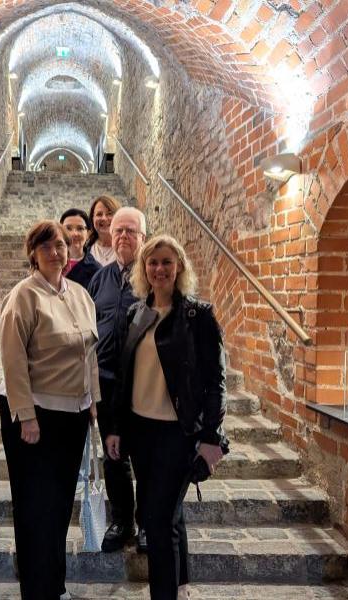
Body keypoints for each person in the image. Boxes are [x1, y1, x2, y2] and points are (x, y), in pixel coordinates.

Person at [106, 235, 229, 600]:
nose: (159, 269)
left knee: (157, 521)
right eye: (152, 262)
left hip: (178, 434)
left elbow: (216, 381)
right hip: (140, 432)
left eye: (166, 262)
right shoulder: (135, 314)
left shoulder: (198, 316)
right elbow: (122, 377)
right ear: (144, 269)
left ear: (179, 268)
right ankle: (180, 586)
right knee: (167, 515)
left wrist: (211, 436)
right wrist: (115, 428)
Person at [0, 220, 101, 600]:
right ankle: (36, 591)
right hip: (35, 414)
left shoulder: (80, 295)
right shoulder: (23, 296)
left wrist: (94, 402)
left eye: (60, 245)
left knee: (59, 506)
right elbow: (12, 360)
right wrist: (26, 416)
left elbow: (90, 353)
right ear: (33, 254)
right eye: (46, 247)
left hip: (73, 414)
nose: (56, 252)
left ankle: (54, 587)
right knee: (34, 508)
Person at [86, 206, 146, 553]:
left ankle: (147, 522)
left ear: (143, 237)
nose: (123, 236)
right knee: (114, 456)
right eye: (118, 230)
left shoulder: (152, 274)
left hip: (143, 385)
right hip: (107, 383)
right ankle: (123, 521)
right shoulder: (100, 279)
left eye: (130, 231)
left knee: (145, 458)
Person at [60, 207, 101, 288]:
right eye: (68, 228)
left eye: (80, 228)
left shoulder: (97, 271)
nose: (74, 234)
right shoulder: (49, 262)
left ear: (88, 234)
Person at [85, 195, 121, 266]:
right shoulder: (85, 251)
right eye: (99, 214)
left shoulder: (129, 250)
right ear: (92, 219)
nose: (104, 218)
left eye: (109, 214)